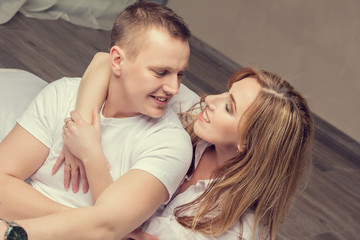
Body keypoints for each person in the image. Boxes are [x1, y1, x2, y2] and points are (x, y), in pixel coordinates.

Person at [0, 2, 193, 239]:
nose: (174, 88)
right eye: (161, 72)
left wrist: (91, 152)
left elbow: (108, 229)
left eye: (180, 73)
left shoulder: (170, 143)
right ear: (118, 61)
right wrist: (81, 223)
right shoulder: (63, 95)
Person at [68, 64, 314, 240]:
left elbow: (115, 227)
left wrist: (91, 153)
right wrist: (81, 125)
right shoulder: (198, 121)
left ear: (248, 142)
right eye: (227, 91)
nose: (211, 99)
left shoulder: (234, 229)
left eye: (229, 107)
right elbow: (105, 62)